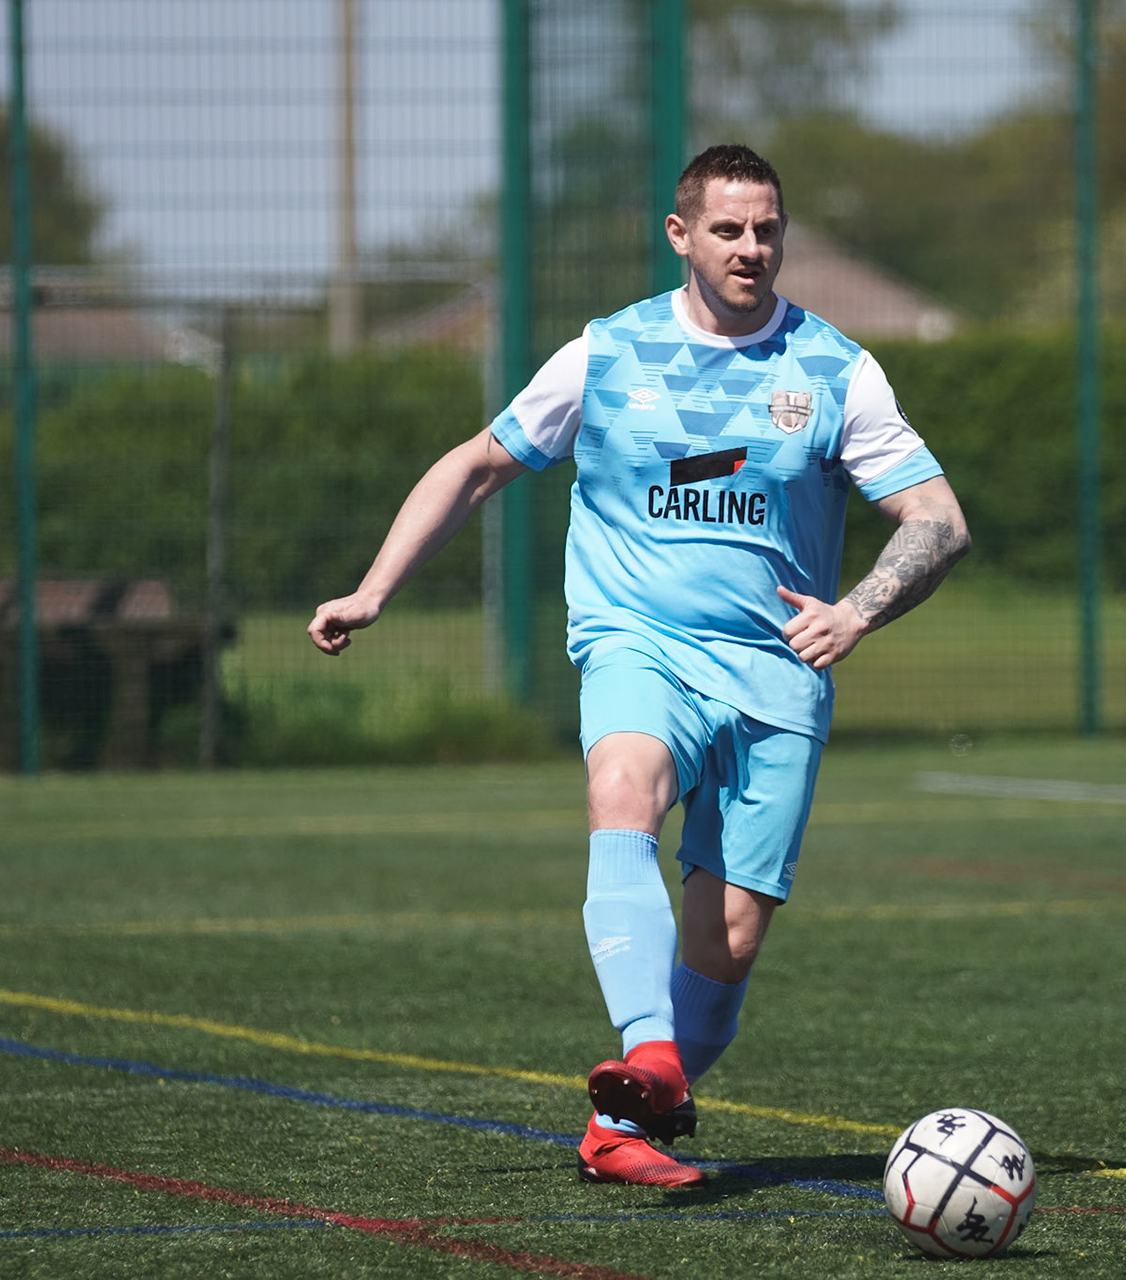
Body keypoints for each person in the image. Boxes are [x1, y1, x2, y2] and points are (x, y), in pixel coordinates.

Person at [308, 144, 968, 1188]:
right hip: (638, 642)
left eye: (766, 230)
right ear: (681, 235)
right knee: (623, 783)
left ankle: (622, 1126)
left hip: (777, 676)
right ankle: (649, 1050)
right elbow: (477, 464)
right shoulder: (607, 354)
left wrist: (857, 611)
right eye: (727, 229)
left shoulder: (836, 368)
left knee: (728, 942)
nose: (750, 248)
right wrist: (374, 588)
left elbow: (937, 519)